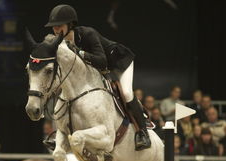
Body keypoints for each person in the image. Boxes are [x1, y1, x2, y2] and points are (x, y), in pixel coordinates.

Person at [44, 4, 150, 150]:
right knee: (68, 92)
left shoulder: (88, 34)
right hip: (98, 71)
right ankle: (60, 132)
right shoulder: (60, 43)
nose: (56, 30)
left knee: (126, 92)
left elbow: (102, 61)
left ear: (70, 25)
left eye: (59, 26)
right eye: (53, 27)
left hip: (118, 62)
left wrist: (79, 52)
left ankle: (143, 133)